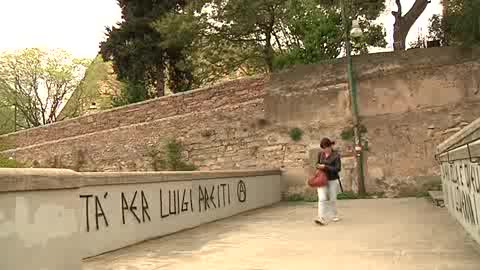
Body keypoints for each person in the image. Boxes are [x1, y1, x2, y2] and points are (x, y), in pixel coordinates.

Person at [315, 137, 342, 225]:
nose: (324, 149)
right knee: (322, 198)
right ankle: (321, 218)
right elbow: (317, 164)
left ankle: (334, 215)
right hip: (321, 179)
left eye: (326, 147)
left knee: (332, 199)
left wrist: (325, 167)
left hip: (332, 180)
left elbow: (338, 168)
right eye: (323, 147)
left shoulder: (336, 155)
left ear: (330, 146)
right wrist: (318, 166)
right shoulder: (320, 154)